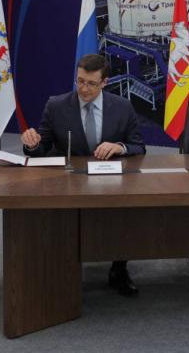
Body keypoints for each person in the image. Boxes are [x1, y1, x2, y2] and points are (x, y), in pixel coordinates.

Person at [21, 54, 145, 296]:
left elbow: (138, 146)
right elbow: (42, 147)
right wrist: (32, 143)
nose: (84, 89)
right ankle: (60, 267)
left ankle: (119, 268)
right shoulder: (56, 105)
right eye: (79, 81)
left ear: (104, 82)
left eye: (91, 83)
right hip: (69, 181)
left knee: (126, 211)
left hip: (109, 181)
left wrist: (120, 147)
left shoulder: (122, 107)